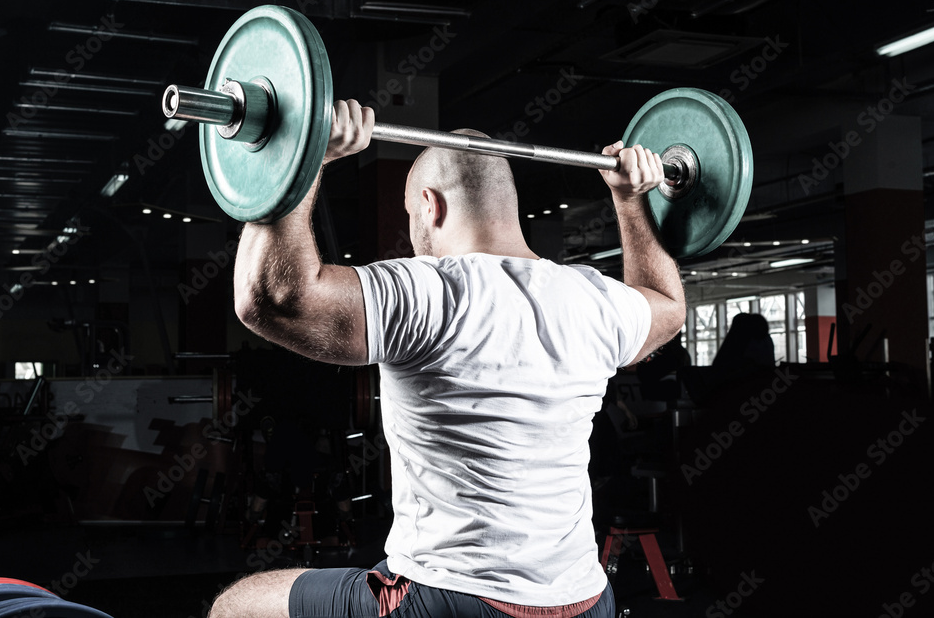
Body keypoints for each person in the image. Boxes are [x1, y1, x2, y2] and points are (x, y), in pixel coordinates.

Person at [215, 100, 686, 618]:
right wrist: (630, 201)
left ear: (430, 205)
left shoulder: (428, 292)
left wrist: (299, 162)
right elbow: (667, 306)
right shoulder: (593, 300)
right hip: (585, 600)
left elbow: (268, 298)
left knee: (238, 605)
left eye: (410, 215)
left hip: (452, 601)